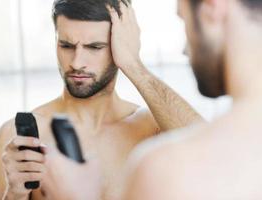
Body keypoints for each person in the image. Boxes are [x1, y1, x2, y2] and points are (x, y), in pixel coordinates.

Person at [39, 0, 262, 199]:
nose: (185, 49)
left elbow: (209, 154)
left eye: (183, 20)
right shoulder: (244, 155)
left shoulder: (155, 162)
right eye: (66, 45)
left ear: (212, 7)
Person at [0, 0, 201, 199]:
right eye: (66, 45)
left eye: (94, 47)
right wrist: (14, 194)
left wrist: (133, 64)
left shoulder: (152, 128)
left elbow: (210, 152)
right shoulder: (18, 136)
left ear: (121, 44)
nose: (77, 62)